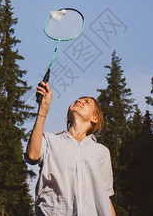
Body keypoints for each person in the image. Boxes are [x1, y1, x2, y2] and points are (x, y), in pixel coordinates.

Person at [25, 82, 116, 216]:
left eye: (86, 102)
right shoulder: (50, 140)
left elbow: (105, 197)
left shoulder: (101, 151)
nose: (79, 100)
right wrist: (43, 109)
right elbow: (32, 156)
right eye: (77, 100)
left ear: (95, 118)